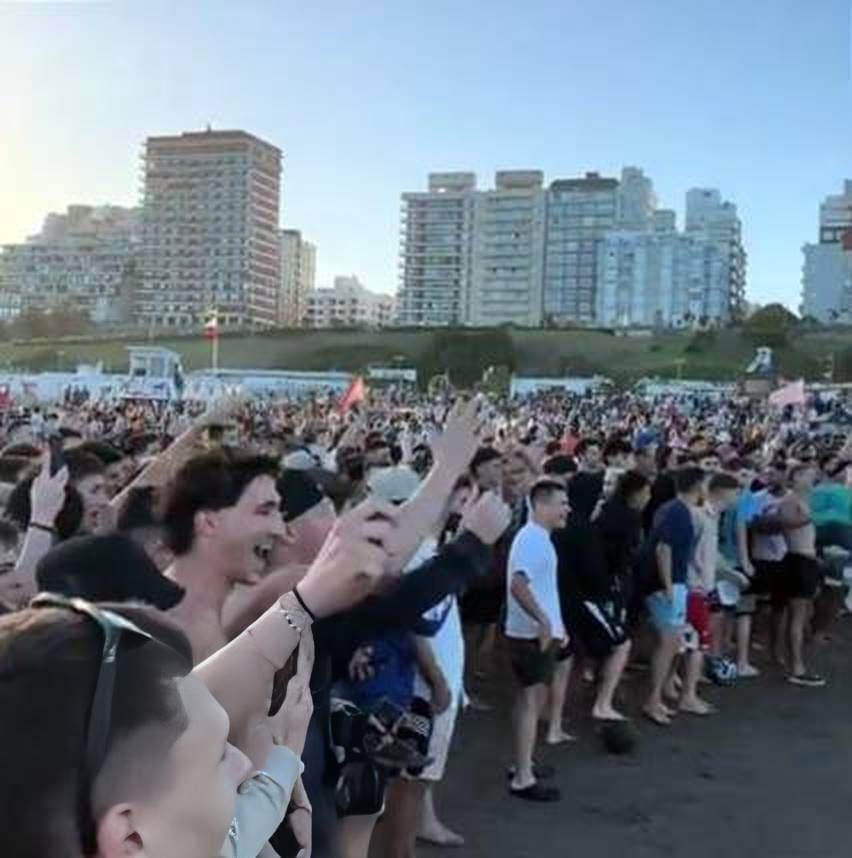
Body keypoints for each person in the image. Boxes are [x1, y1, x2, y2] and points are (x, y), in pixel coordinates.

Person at [0, 494, 401, 858]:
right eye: (217, 757)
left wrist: (306, 601)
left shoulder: (162, 831)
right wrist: (357, 834)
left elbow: (242, 815)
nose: (243, 765)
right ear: (129, 838)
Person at [162, 448, 288, 661]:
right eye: (264, 511)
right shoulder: (178, 633)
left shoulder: (201, 618)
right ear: (208, 523)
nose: (280, 530)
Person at [505, 478, 570, 802]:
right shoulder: (533, 540)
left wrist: (554, 622)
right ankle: (522, 777)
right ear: (541, 505)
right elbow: (519, 584)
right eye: (561, 503)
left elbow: (542, 587)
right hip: (531, 636)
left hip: (536, 633)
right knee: (532, 702)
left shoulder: (538, 538)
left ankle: (522, 761)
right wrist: (543, 621)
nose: (566, 509)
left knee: (528, 700)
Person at [642, 467, 704, 726]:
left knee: (670, 642)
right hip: (667, 584)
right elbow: (663, 548)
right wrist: (668, 585)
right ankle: (652, 700)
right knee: (668, 643)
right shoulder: (677, 511)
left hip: (672, 581)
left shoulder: (673, 509)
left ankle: (657, 697)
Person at [777, 463, 826, 687]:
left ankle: (794, 662)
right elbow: (786, 524)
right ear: (796, 477)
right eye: (807, 475)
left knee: (803, 613)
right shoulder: (790, 500)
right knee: (795, 615)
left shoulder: (805, 500)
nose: (811, 479)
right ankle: (796, 667)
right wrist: (811, 518)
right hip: (797, 560)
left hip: (807, 558)